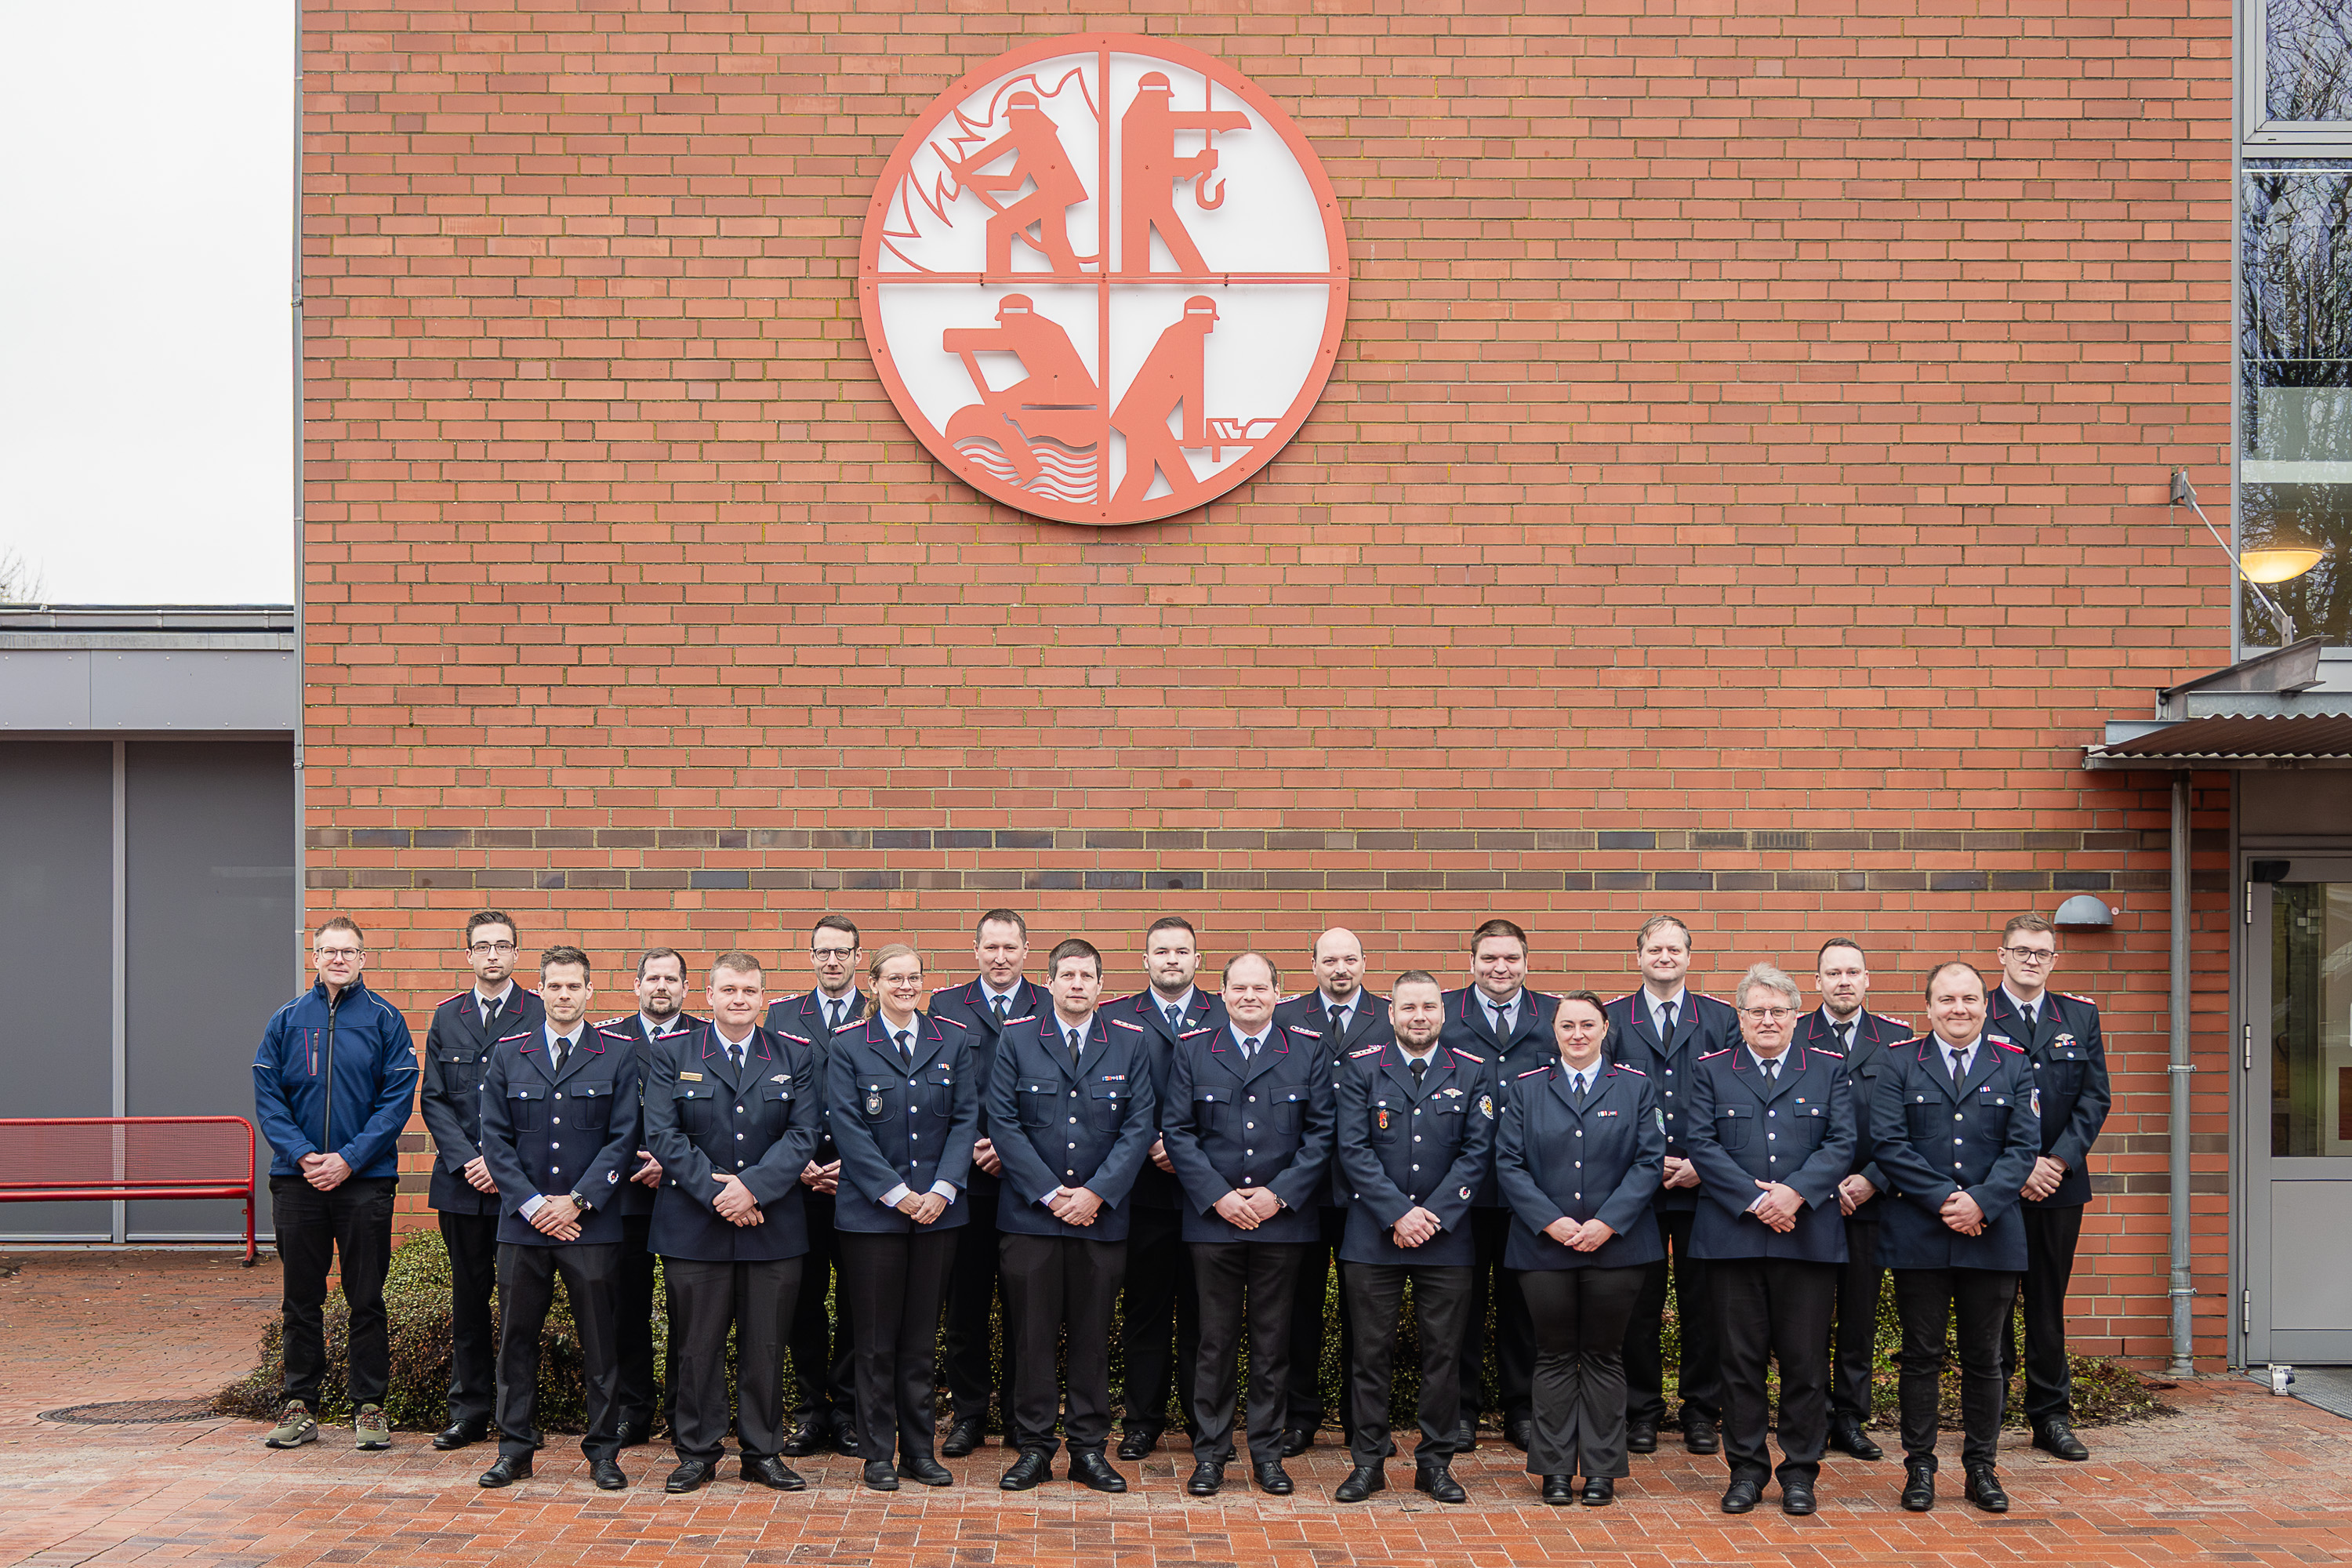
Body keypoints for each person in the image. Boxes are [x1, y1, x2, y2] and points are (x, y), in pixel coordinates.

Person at [641, 951, 822, 1494]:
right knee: (697, 1345)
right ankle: (697, 1451)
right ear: (710, 996)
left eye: (749, 991)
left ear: (762, 998)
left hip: (773, 1224)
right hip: (694, 1225)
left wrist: (752, 1188)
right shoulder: (672, 1053)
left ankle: (763, 1452)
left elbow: (804, 1133)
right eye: (728, 990)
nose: (739, 1000)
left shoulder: (793, 1053)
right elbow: (663, 1134)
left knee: (767, 1344)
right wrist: (720, 1194)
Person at [1682, 962, 1856, 1517]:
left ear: (1796, 1016)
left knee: (1805, 1364)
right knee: (1739, 1362)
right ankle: (1747, 1471)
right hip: (1733, 1238)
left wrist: (1794, 1195)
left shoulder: (1827, 1069)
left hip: (1807, 1238)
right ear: (1739, 1016)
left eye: (1778, 1010)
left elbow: (1842, 1143)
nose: (1767, 1020)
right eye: (1756, 1010)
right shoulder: (1712, 1070)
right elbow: (1701, 1144)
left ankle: (1800, 1473)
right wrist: (1758, 1200)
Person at [1162, 952, 1336, 1497]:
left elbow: (1322, 1134)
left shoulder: (1306, 1050)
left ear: (1278, 992)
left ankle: (1267, 1454)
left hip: (1281, 1224)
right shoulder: (1194, 1050)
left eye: (1260, 988)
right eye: (1239, 988)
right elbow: (1178, 1132)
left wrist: (1276, 1196)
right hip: (1214, 1224)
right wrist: (1218, 1197)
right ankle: (1210, 1455)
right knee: (1212, 1342)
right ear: (1223, 993)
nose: (1250, 997)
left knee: (1272, 1342)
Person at [987, 938, 1158, 1494]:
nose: (1078, 984)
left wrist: (1098, 1193)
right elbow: (1004, 1123)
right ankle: (1034, 1448)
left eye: (1087, 975)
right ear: (1051, 982)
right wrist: (1050, 1193)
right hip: (1032, 1219)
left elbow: (1139, 1127)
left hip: (1100, 1220)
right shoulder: (1016, 1039)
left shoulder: (1129, 1044)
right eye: (1068, 975)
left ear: (1100, 985)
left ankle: (1089, 1450)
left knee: (1091, 1338)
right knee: (1032, 1338)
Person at [1871, 960, 2041, 1515]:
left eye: (1968, 999)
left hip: (1991, 1234)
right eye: (1946, 1000)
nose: (1958, 1009)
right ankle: (1919, 1468)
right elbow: (1889, 1145)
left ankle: (1981, 1469)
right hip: (1921, 1231)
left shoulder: (2013, 1066)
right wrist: (1947, 1200)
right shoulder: (1899, 1062)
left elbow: (2022, 1150)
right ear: (1928, 1008)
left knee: (1985, 1358)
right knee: (1921, 1356)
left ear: (1985, 1006)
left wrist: (1982, 1203)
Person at [475, 946, 643, 1490]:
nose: (564, 995)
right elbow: (494, 1140)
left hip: (590, 1225)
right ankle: (515, 1449)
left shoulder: (617, 1054)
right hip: (522, 1225)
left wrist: (577, 1202)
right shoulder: (508, 1052)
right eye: (554, 986)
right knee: (516, 1341)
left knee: (602, 1343)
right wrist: (532, 1205)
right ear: (540, 990)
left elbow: (623, 1139)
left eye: (574, 986)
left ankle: (603, 1453)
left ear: (590, 992)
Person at [252, 916, 419, 1454]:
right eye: (329, 951)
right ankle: (300, 1405)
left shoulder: (386, 1020)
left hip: (364, 1181)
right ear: (315, 958)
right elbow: (268, 1097)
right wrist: (303, 1156)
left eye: (349, 951)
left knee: (365, 1298)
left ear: (363, 958)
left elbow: (396, 1102)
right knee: (300, 1299)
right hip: (297, 1182)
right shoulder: (285, 1020)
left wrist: (347, 1160)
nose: (339, 959)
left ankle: (369, 1407)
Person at [1497, 991, 1664, 1507]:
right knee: (1551, 1356)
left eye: (1587, 1025)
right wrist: (1551, 1221)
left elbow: (1648, 1162)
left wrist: (1607, 1223)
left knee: (1603, 1356)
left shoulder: (1636, 1087)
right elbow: (1509, 1163)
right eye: (1567, 1025)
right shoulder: (1527, 1090)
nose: (1577, 1034)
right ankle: (1551, 1470)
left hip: (1617, 1248)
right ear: (1555, 1031)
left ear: (1605, 1030)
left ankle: (1600, 1470)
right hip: (1543, 1248)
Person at [1329, 970, 1487, 1504]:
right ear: (1390, 1013)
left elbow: (1476, 1153)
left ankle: (1436, 1463)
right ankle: (1367, 1462)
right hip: (1373, 1235)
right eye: (1408, 1008)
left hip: (1447, 1239)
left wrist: (1431, 1216)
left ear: (1442, 1014)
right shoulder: (1361, 1069)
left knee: (1443, 1354)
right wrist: (1398, 1214)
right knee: (1370, 1353)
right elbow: (1352, 1149)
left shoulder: (1470, 1071)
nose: (1419, 1016)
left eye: (1428, 1008)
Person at [826, 943, 980, 1492]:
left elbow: (965, 1120)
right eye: (895, 978)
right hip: (873, 1218)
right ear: (874, 984)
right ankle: (877, 1454)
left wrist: (940, 1189)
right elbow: (847, 1127)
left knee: (919, 1339)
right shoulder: (848, 1046)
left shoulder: (953, 1040)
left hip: (938, 1213)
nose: (906, 986)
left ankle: (919, 1451)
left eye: (914, 977)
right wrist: (896, 1194)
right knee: (874, 1340)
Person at [1605, 914, 1740, 1456]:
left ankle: (1702, 1411)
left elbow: (1736, 1098)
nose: (1665, 957)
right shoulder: (1612, 1018)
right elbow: (1601, 1102)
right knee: (1637, 1305)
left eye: (1674, 949)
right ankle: (1641, 1410)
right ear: (1638, 956)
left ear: (1689, 955)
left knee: (1704, 1304)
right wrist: (1648, 1161)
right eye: (1654, 949)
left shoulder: (1721, 1019)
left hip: (1704, 1185)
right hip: (1633, 1188)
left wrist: (1705, 1166)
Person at [1987, 914, 2111, 1462]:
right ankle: (1986, 1412)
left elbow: (2093, 1098)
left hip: (2058, 1186)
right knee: (1989, 1302)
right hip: (1994, 1187)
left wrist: (2057, 1161)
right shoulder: (1975, 1011)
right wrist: (2019, 1168)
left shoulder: (2079, 1017)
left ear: (2055, 959)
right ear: (2002, 955)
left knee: (2045, 1303)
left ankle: (2049, 1417)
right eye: (2022, 951)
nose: (2032, 960)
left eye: (2042, 952)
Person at [418, 910, 543, 1452]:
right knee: (469, 1303)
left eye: (503, 946)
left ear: (517, 955)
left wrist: (499, 1161)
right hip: (462, 1185)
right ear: (468, 955)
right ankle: (468, 1412)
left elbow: (546, 1103)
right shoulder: (447, 1018)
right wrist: (469, 1158)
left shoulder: (539, 1011)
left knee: (523, 1307)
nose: (493, 955)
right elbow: (435, 1099)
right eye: (483, 947)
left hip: (520, 1188)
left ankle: (521, 1416)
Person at [1269, 926, 1392, 1457]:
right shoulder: (1285, 1017)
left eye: (1350, 959)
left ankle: (1364, 1424)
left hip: (1370, 1188)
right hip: (1303, 1188)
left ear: (1364, 963)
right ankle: (1300, 1418)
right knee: (1298, 1310)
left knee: (1367, 1314)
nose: (1340, 970)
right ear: (1312, 964)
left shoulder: (1388, 1016)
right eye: (1329, 960)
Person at [926, 909, 1044, 1458]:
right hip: (967, 1180)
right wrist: (977, 1142)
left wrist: (1013, 1149)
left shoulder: (1047, 1004)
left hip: (1030, 1183)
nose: (1000, 958)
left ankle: (1024, 1417)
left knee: (1028, 1308)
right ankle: (970, 1414)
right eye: (991, 947)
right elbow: (938, 1085)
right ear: (975, 951)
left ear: (1026, 951)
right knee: (965, 1306)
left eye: (1010, 948)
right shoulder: (946, 1007)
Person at [1438, 918, 1559, 1451]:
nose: (1500, 968)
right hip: (1460, 1188)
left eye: (1510, 958)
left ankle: (1523, 1409)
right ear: (1472, 963)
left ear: (1526, 963)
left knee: (1526, 1305)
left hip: (1532, 1191)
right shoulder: (1443, 1013)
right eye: (1489, 959)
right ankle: (1460, 1410)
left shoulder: (1555, 1017)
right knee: (1458, 1306)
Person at [1108, 915, 1224, 1459]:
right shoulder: (1114, 1018)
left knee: (1207, 1314)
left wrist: (1188, 1152)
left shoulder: (1226, 1013)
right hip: (1144, 1191)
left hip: (1210, 1194)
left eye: (1182, 951)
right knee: (1146, 1312)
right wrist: (1153, 1144)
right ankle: (1142, 1421)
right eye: (1162, 951)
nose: (1172, 959)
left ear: (1198, 960)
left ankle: (1205, 1422)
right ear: (1146, 960)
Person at [1795, 937, 1910, 1461]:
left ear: (1867, 980)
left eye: (1853, 972)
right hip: (1810, 1206)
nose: (1843, 981)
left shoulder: (1899, 1040)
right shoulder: (1793, 1034)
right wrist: (1816, 1185)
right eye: (1833, 972)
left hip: (1871, 1201)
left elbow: (1912, 1124)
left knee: (1859, 1317)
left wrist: (1873, 1178)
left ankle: (1851, 1419)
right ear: (1815, 981)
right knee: (1809, 1318)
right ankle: (1809, 1417)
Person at [766, 916, 866, 1458]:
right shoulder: (782, 1015)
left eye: (842, 952)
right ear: (810, 956)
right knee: (802, 1303)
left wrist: (854, 1166)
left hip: (859, 1183)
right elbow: (768, 1095)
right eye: (823, 952)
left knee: (856, 1303)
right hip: (796, 1184)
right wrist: (794, 1164)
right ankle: (810, 1413)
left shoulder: (877, 1011)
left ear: (857, 956)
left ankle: (848, 1413)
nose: (832, 961)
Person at [606, 946, 697, 1448]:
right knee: (628, 1309)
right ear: (636, 986)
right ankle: (632, 1410)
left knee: (690, 1311)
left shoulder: (708, 1038)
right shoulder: (607, 1039)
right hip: (627, 1194)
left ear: (686, 988)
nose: (661, 987)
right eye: (653, 978)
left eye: (671, 979)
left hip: (689, 1193)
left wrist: (675, 1163)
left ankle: (686, 1411)